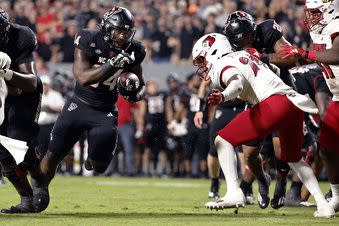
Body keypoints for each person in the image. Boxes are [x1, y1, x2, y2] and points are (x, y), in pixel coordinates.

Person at [192, 33, 334, 218]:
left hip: (274, 103)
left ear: (214, 51)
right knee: (294, 159)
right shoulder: (248, 55)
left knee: (222, 140)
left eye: (202, 59)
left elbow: (236, 82)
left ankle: (234, 193)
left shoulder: (221, 64)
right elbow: (273, 71)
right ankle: (324, 205)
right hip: (293, 103)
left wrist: (224, 96)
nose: (202, 65)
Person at [31, 6, 146, 212]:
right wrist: (112, 64)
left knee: (100, 166)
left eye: (127, 31)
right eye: (119, 31)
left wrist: (134, 90)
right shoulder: (88, 38)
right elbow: (82, 76)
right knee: (53, 155)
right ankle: (39, 188)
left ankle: (93, 158)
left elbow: (140, 82)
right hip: (79, 105)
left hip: (105, 111)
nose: (123, 36)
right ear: (107, 29)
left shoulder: (135, 49)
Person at [279, 0, 339, 213]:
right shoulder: (319, 31)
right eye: (309, 13)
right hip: (337, 96)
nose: (311, 17)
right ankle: (337, 196)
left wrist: (304, 54)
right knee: (326, 149)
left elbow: (336, 55)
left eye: (315, 13)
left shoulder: (336, 24)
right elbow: (320, 59)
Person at [0, 9, 42, 213]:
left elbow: (30, 83)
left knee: (19, 148)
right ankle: (26, 198)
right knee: (2, 154)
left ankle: (39, 177)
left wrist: (5, 73)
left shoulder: (21, 36)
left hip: (24, 93)